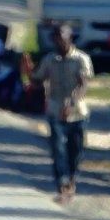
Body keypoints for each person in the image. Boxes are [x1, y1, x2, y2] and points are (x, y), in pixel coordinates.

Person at [33, 23, 94, 204]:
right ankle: (62, 185)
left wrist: (72, 102)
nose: (59, 40)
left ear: (70, 37)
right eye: (56, 37)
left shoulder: (81, 59)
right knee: (58, 149)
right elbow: (38, 80)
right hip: (55, 110)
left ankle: (72, 180)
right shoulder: (49, 59)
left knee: (75, 151)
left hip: (78, 113)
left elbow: (83, 84)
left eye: (62, 36)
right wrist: (29, 73)